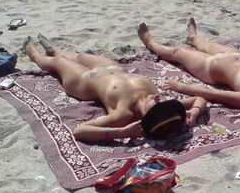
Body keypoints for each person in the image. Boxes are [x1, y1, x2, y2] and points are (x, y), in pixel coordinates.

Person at [24, 35, 207, 141]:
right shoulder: (160, 104)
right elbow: (200, 99)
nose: (159, 98)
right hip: (113, 69)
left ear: (148, 115)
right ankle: (55, 49)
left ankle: (35, 55)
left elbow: (79, 131)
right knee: (80, 56)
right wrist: (195, 112)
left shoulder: (124, 114)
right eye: (162, 103)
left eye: (157, 105)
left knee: (58, 62)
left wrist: (121, 132)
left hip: (84, 82)